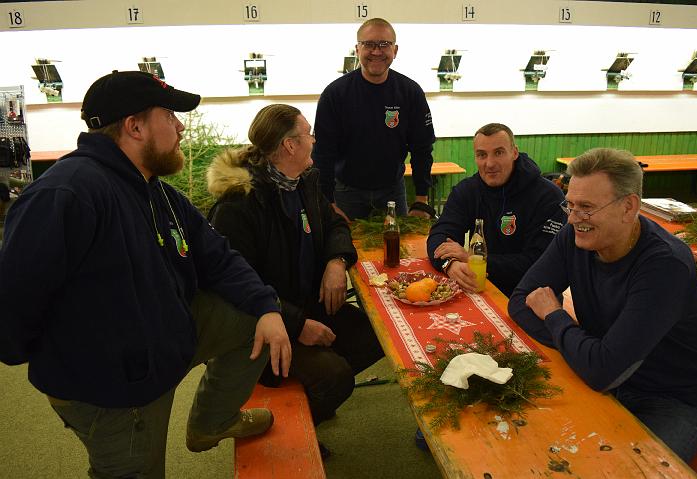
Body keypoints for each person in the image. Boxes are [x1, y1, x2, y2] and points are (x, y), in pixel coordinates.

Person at [0, 70, 292, 478]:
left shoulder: (157, 191)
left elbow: (218, 257)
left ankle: (212, 422)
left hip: (162, 342)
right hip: (111, 386)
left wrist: (266, 307)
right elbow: (14, 301)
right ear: (135, 127)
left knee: (252, 318)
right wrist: (70, 367)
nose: (181, 127)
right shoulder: (68, 192)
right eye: (170, 116)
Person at [508, 148, 697, 463]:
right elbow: (520, 302)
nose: (573, 218)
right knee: (534, 444)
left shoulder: (665, 265)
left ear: (628, 207)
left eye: (586, 208)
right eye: (570, 205)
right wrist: (587, 351)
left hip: (676, 398)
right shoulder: (574, 237)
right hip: (607, 375)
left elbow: (603, 371)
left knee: (621, 468)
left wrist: (555, 317)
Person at [206, 105, 385, 436]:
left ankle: (312, 396)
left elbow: (334, 224)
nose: (314, 140)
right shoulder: (238, 204)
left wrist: (336, 262)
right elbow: (238, 287)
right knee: (334, 376)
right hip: (263, 327)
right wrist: (298, 325)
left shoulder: (303, 181)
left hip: (307, 305)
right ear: (290, 145)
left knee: (376, 336)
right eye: (309, 134)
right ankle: (294, 427)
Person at [312, 17, 436, 221]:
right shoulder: (335, 94)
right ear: (357, 49)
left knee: (397, 241)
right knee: (346, 241)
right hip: (345, 192)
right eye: (369, 44)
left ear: (395, 50)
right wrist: (328, 202)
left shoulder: (410, 92)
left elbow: (422, 148)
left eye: (384, 44)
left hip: (392, 191)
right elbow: (323, 153)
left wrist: (422, 198)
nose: (376, 51)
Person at [426, 123, 566, 297]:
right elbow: (439, 235)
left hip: (533, 296)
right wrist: (450, 264)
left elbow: (538, 263)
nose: (490, 163)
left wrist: (473, 259)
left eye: (498, 153)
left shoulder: (548, 196)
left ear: (514, 153)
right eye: (482, 155)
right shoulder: (467, 190)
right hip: (479, 288)